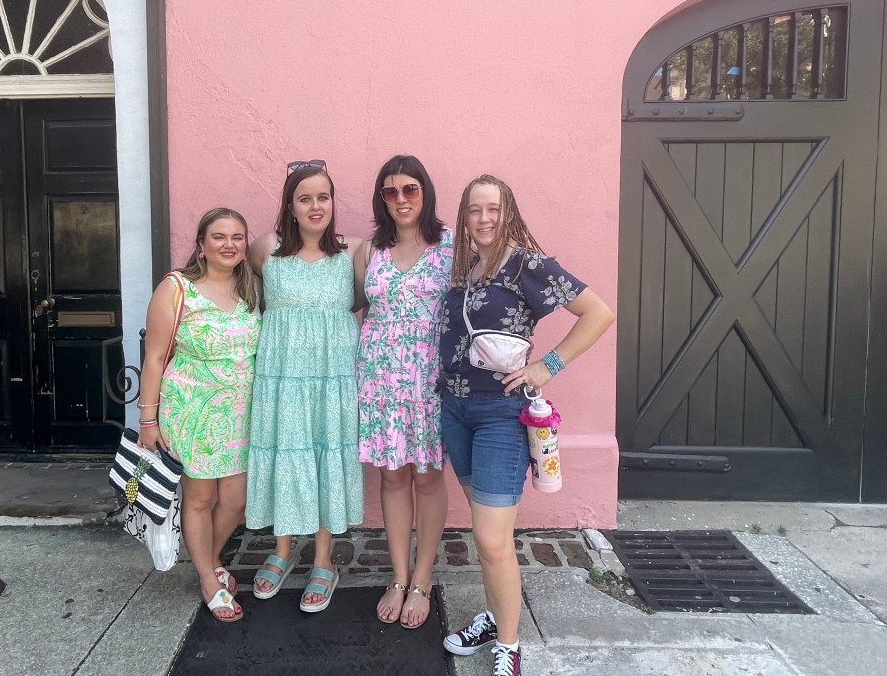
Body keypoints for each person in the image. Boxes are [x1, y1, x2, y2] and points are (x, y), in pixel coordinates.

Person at [438, 175, 615, 676]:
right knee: (484, 534)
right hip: (456, 412)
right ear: (464, 217)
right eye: (475, 210)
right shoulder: (465, 268)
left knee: (493, 539)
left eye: (493, 208)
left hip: (501, 415)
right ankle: (496, 617)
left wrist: (547, 367)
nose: (484, 218)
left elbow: (598, 313)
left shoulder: (527, 265)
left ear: (508, 212)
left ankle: (509, 647)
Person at [245, 160, 365, 613]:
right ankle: (282, 549)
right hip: (282, 378)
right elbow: (246, 292)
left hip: (333, 377)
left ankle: (322, 559)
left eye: (323, 197)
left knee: (325, 451)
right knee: (285, 451)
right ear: (290, 206)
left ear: (333, 202)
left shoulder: (353, 251)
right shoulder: (266, 249)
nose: (316, 206)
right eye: (305, 198)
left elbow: (361, 300)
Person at [137, 207, 261, 623]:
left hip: (240, 413)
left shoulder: (250, 289)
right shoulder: (177, 288)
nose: (229, 244)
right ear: (201, 245)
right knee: (200, 499)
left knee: (236, 501)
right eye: (219, 236)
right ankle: (209, 579)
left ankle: (208, 558)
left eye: (237, 237)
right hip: (192, 410)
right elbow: (155, 357)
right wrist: (148, 421)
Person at [354, 154, 452, 629]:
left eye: (409, 188)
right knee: (392, 477)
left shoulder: (451, 246)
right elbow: (355, 306)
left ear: (425, 191)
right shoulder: (370, 250)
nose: (401, 199)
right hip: (380, 379)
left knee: (428, 477)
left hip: (430, 379)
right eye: (390, 191)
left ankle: (422, 578)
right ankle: (397, 576)